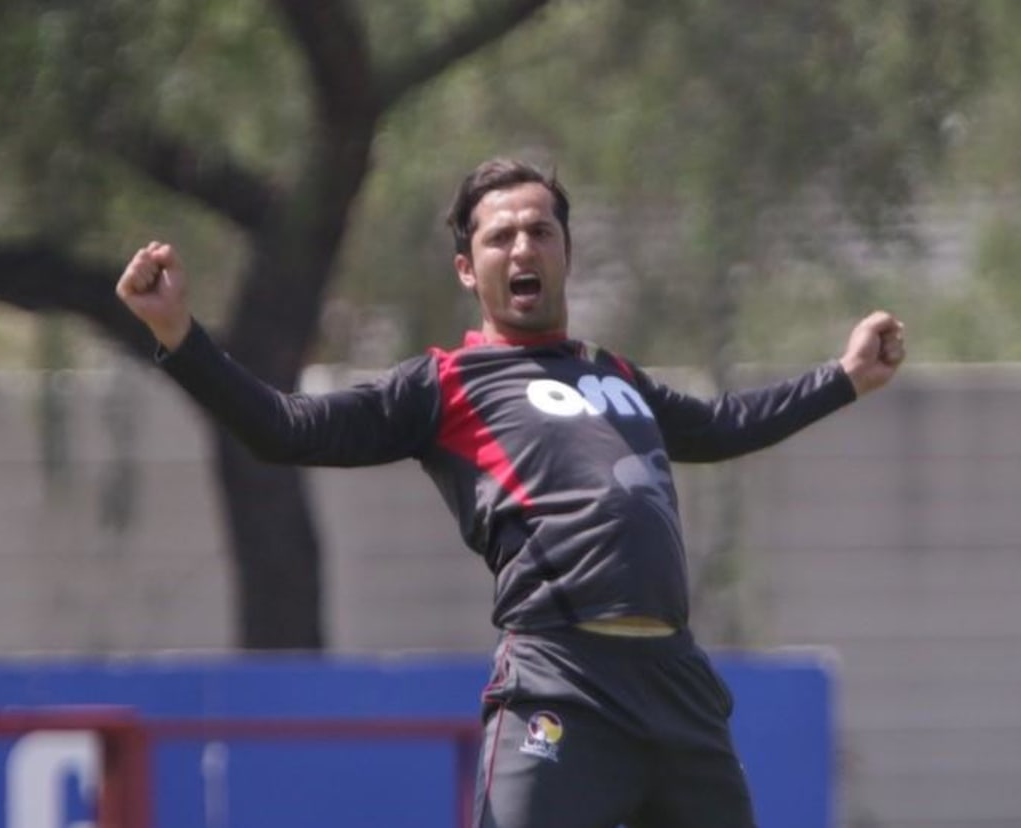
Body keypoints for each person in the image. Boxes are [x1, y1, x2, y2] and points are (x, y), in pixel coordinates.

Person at [117, 158, 906, 828]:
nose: (522, 246)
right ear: (469, 268)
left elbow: (726, 424)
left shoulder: (615, 376)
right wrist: (181, 337)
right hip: (561, 679)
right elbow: (282, 430)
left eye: (541, 231)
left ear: (566, 252)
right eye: (500, 235)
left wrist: (843, 379)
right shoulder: (444, 385)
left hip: (676, 684)